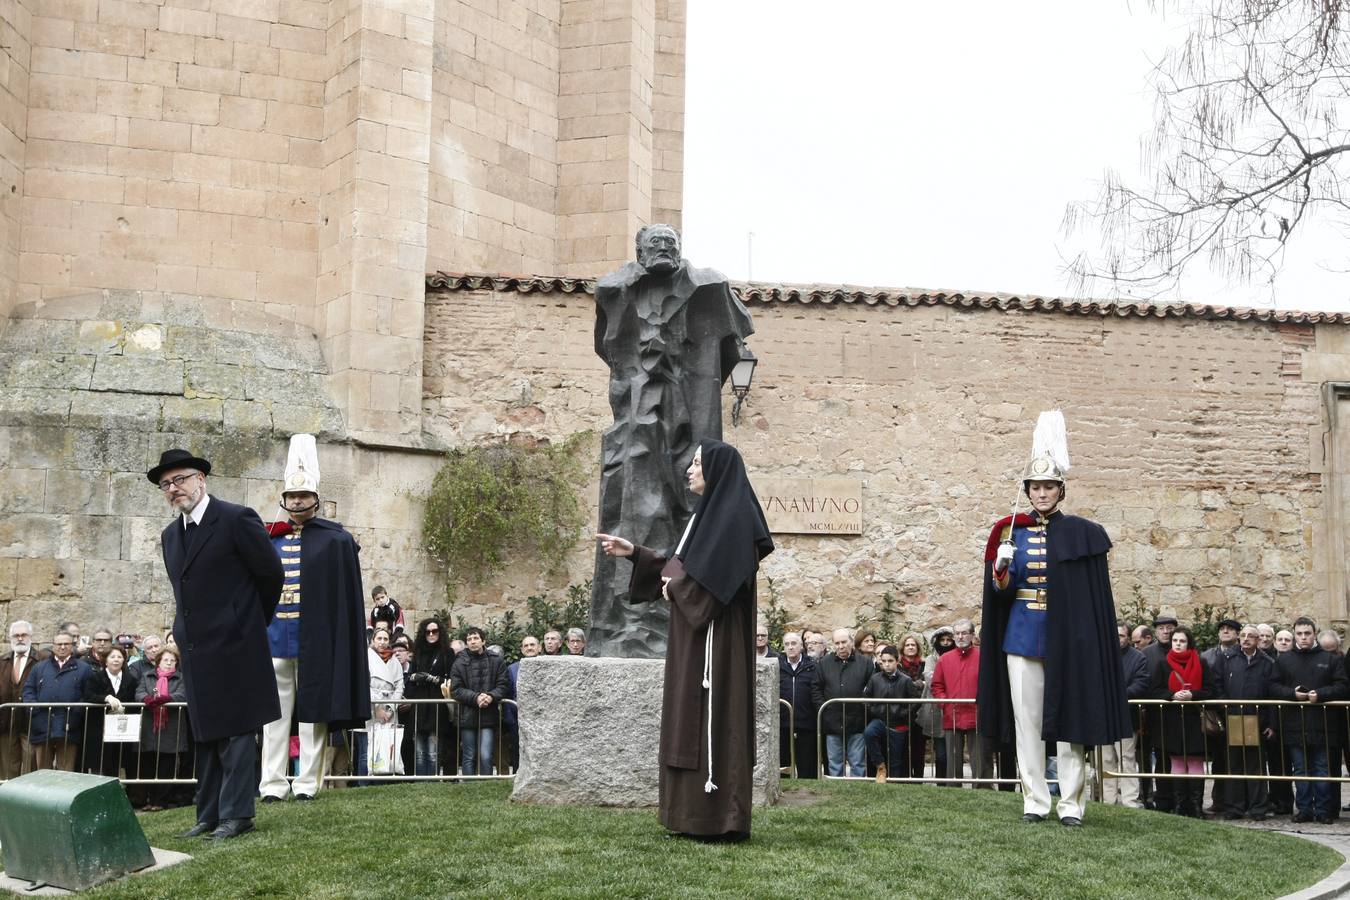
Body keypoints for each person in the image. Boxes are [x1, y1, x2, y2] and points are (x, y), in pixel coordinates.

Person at [589, 225, 756, 658]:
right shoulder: (617, 288)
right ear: (639, 251)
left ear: (679, 250)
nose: (663, 248)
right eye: (654, 244)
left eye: (670, 243)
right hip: (640, 406)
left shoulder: (708, 286)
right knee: (637, 487)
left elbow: (732, 342)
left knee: (684, 493)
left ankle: (664, 604)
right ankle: (628, 615)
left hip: (687, 399)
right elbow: (611, 348)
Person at [597, 438, 773, 839]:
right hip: (693, 641)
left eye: (696, 463)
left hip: (717, 643)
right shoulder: (705, 518)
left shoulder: (735, 518)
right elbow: (682, 567)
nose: (689, 471)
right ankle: (685, 815)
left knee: (712, 718)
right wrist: (636, 554)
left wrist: (676, 588)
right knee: (685, 717)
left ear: (717, 470)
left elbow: (706, 585)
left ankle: (714, 817)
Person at [978, 420, 1131, 827]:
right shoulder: (1009, 531)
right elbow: (1000, 594)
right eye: (1035, 486)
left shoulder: (1083, 533)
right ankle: (1035, 801)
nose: (1041, 493)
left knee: (1071, 723)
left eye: (1048, 486)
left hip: (1070, 640)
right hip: (1023, 636)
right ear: (1026, 491)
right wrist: (1000, 569)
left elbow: (1090, 596)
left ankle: (1071, 805)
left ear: (1061, 490)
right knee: (1027, 726)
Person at [149, 447, 284, 840]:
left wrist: (248, 621)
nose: (174, 489)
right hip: (196, 650)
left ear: (201, 479)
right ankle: (208, 814)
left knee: (239, 732)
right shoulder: (171, 535)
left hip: (238, 645)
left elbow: (271, 575)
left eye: (180, 479)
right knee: (206, 733)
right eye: (166, 484)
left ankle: (237, 815)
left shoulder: (235, 518)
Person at [260, 434, 371, 804]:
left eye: (303, 496)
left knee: (312, 715)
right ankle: (272, 784)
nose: (297, 502)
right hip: (275, 637)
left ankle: (308, 781)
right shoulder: (268, 540)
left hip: (316, 641)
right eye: (292, 497)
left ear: (315, 499)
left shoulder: (334, 540)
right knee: (274, 717)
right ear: (284, 500)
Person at [1270, 617, 1349, 823]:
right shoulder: (1284, 660)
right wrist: (1292, 694)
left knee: (1322, 769)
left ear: (1315, 633)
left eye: (1307, 633)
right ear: (1294, 634)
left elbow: (1342, 686)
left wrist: (1321, 694)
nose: (1303, 637)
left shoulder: (1331, 659)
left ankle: (1323, 810)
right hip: (1295, 725)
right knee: (1301, 770)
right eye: (1299, 634)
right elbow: (1273, 686)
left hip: (1323, 725)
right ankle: (1304, 809)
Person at [1148, 627, 1214, 818]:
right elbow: (1154, 691)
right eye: (1175, 640)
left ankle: (1195, 807)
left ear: (1189, 643)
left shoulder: (1201, 663)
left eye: (1182, 641)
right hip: (1172, 721)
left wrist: (1193, 695)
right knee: (1176, 761)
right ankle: (1179, 806)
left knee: (1195, 762)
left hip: (1195, 720)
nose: (1177, 644)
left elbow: (1210, 690)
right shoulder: (1163, 664)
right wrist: (1172, 695)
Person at [1215, 624, 1276, 820]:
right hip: (1233, 717)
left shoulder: (1267, 662)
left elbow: (1272, 694)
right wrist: (1224, 707)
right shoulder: (1226, 658)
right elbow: (1217, 683)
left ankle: (1258, 808)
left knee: (1255, 765)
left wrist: (1270, 723)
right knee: (1234, 765)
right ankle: (1234, 807)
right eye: (1243, 635)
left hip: (1256, 720)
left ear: (1258, 640)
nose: (1246, 638)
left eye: (1251, 636)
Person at [22, 630, 92, 771]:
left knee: (66, 772)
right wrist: (34, 709)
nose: (62, 647)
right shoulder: (39, 667)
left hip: (69, 727)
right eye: (59, 644)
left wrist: (76, 713)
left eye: (66, 644)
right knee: (42, 772)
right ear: (53, 646)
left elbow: (88, 694)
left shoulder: (83, 668)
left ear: (72, 646)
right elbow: (28, 690)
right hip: (43, 726)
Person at [932, 619, 990, 788]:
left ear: (972, 635)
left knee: (979, 756)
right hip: (953, 714)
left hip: (976, 714)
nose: (960, 636)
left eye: (964, 633)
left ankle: (982, 787)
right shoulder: (945, 659)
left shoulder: (983, 657)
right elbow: (937, 685)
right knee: (953, 756)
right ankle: (953, 788)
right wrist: (944, 703)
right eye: (957, 633)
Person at [812, 628, 874, 777]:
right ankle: (835, 795)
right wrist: (824, 710)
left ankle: (857, 794)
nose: (841, 646)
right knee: (834, 764)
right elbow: (816, 689)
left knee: (858, 763)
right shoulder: (824, 663)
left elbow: (872, 689)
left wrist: (864, 709)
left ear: (851, 642)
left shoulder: (865, 663)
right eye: (837, 643)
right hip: (832, 721)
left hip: (857, 722)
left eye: (844, 642)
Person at [1100, 621, 1149, 808]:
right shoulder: (1103, 655)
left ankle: (1130, 800)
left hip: (1127, 716)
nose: (1117, 638)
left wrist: (1118, 695)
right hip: (1104, 717)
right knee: (1105, 759)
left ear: (1127, 637)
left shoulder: (1138, 658)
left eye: (1121, 635)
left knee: (1127, 759)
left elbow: (1141, 683)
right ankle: (1107, 800)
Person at [135, 648, 189, 811]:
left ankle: (161, 801)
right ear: (159, 661)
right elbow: (139, 692)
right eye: (165, 660)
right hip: (150, 726)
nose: (168, 663)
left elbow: (182, 695)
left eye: (172, 660)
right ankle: (148, 799)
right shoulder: (147, 676)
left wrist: (167, 699)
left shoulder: (180, 678)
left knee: (167, 763)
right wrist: (147, 699)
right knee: (148, 763)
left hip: (171, 726)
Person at [451, 626, 509, 776]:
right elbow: (456, 689)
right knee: (469, 755)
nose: (472, 642)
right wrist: (475, 697)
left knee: (486, 755)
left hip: (488, 714)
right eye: (469, 639)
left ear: (483, 641)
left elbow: (503, 685)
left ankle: (486, 784)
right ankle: (469, 786)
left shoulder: (496, 661)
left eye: (476, 638)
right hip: (467, 714)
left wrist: (490, 696)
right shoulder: (459, 662)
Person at [406, 618, 454, 776]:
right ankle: (420, 785)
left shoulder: (447, 653)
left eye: (435, 631)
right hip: (419, 706)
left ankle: (432, 785)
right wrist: (415, 677)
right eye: (428, 631)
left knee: (433, 753)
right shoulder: (418, 652)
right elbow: (409, 678)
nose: (431, 634)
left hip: (437, 706)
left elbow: (451, 679)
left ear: (440, 632)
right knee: (419, 753)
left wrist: (433, 679)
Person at [863, 645, 918, 783]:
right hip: (880, 720)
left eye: (890, 661)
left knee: (896, 759)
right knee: (869, 732)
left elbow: (916, 701)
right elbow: (865, 698)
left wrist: (903, 713)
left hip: (898, 724)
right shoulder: (875, 679)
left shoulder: (905, 680)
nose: (886, 664)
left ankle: (894, 783)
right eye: (884, 661)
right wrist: (875, 710)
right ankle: (880, 766)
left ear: (897, 661)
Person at [83, 644, 138, 779]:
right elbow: (88, 695)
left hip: (122, 730)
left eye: (119, 657)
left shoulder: (131, 680)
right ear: (105, 660)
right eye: (112, 657)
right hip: (100, 728)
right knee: (99, 764)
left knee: (118, 763)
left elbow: (135, 701)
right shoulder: (95, 678)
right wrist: (106, 698)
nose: (116, 660)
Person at [356, 627, 404, 783]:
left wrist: (389, 709)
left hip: (389, 711)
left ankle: (381, 785)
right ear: (372, 640)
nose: (382, 642)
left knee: (385, 749)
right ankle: (363, 785)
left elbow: (399, 686)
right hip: (369, 709)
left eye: (385, 639)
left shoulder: (394, 661)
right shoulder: (364, 658)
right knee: (366, 751)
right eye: (379, 638)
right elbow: (362, 684)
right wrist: (377, 708)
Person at [1, 620, 43, 779]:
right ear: (10, 638)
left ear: (30, 637)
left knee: (30, 765)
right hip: (6, 724)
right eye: (16, 635)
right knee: (7, 767)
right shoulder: (2, 661)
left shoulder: (42, 660)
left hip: (30, 723)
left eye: (23, 635)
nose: (20, 639)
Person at [777, 631, 817, 779]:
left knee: (807, 766)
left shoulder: (812, 666)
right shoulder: (777, 665)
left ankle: (809, 794)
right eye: (787, 644)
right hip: (783, 723)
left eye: (794, 643)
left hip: (806, 723)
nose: (790, 647)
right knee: (783, 765)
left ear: (801, 646)